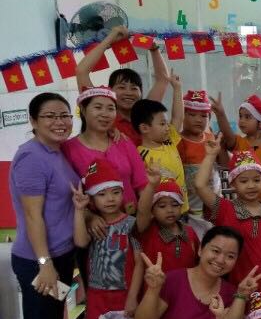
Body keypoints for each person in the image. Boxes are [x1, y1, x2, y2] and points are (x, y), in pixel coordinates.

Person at [9, 93, 89, 319]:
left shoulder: (59, 152)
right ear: (33, 121)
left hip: (61, 255)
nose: (60, 122)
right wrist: (44, 265)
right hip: (37, 260)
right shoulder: (31, 157)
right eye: (50, 116)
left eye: (65, 115)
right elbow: (33, 217)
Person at [71, 159, 143, 319]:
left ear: (123, 193)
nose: (110, 199)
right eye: (102, 194)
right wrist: (79, 211)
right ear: (92, 199)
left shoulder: (131, 225)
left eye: (115, 192)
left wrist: (133, 296)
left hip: (125, 293)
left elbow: (139, 263)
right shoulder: (94, 225)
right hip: (98, 294)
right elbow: (80, 243)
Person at [195, 139, 261, 300]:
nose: (251, 185)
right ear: (233, 184)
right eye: (244, 181)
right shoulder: (225, 209)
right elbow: (200, 186)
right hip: (231, 292)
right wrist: (210, 156)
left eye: (256, 180)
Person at [76, 24, 170, 145]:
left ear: (141, 92)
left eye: (134, 88)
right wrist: (110, 38)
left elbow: (163, 79)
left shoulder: (146, 113)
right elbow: (81, 71)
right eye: (121, 87)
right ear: (110, 91)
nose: (128, 93)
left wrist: (154, 49)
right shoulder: (103, 116)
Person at [62, 87, 147, 215]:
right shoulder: (68, 149)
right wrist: (89, 217)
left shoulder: (123, 142)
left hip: (132, 218)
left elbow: (142, 184)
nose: (105, 114)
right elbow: (68, 193)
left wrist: (143, 218)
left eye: (111, 108)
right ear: (83, 110)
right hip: (95, 223)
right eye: (98, 107)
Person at [213, 93, 261, 209]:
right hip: (246, 210)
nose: (242, 121)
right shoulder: (240, 144)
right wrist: (220, 114)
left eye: (247, 117)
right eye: (240, 116)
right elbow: (228, 134)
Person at [132, 75, 186, 215]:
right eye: (162, 124)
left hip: (182, 209)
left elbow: (178, 117)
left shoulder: (169, 141)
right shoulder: (139, 155)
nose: (167, 127)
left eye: (167, 123)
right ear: (145, 128)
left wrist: (177, 88)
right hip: (160, 215)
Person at [136, 167, 199, 273]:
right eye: (162, 206)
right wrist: (151, 186)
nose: (170, 210)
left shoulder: (190, 232)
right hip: (156, 283)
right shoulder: (148, 230)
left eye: (175, 205)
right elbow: (142, 211)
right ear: (152, 210)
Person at [177, 90, 218, 226]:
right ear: (182, 115)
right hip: (190, 206)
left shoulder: (211, 137)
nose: (199, 120)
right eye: (192, 115)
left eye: (203, 116)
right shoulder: (177, 141)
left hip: (213, 201)